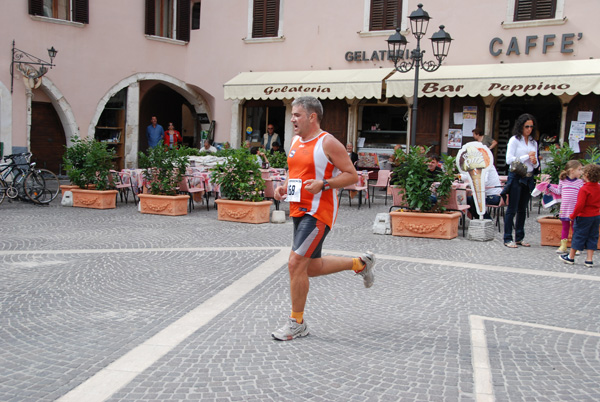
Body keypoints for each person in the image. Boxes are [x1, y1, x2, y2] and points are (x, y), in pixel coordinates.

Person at [271, 96, 375, 341]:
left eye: (297, 114)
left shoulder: (328, 142)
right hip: (298, 209)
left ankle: (297, 322)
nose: (292, 119)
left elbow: (352, 176)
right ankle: (360, 264)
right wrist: (284, 186)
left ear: (312, 117)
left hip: (318, 212)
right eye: (292, 114)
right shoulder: (296, 141)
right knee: (311, 267)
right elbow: (296, 173)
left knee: (295, 264)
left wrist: (325, 184)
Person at [503, 113, 539, 248]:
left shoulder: (533, 142)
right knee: (512, 208)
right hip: (516, 175)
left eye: (531, 126)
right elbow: (509, 160)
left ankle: (519, 237)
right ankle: (507, 238)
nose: (529, 129)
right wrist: (526, 157)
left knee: (522, 209)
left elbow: (535, 165)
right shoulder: (514, 140)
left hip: (528, 176)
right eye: (526, 126)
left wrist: (535, 162)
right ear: (521, 126)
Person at [559, 164, 600, 267]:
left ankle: (571, 257)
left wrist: (572, 215)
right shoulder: (598, 187)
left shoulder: (584, 189)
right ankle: (589, 260)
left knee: (578, 235)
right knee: (593, 236)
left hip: (584, 216)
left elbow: (580, 205)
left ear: (586, 175)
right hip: (596, 216)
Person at [547, 160, 584, 254]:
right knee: (565, 227)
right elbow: (559, 192)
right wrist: (549, 186)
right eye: (579, 169)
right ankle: (563, 245)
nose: (581, 172)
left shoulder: (580, 182)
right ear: (572, 171)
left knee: (575, 227)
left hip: (575, 209)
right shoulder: (562, 181)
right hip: (565, 208)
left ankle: (575, 247)